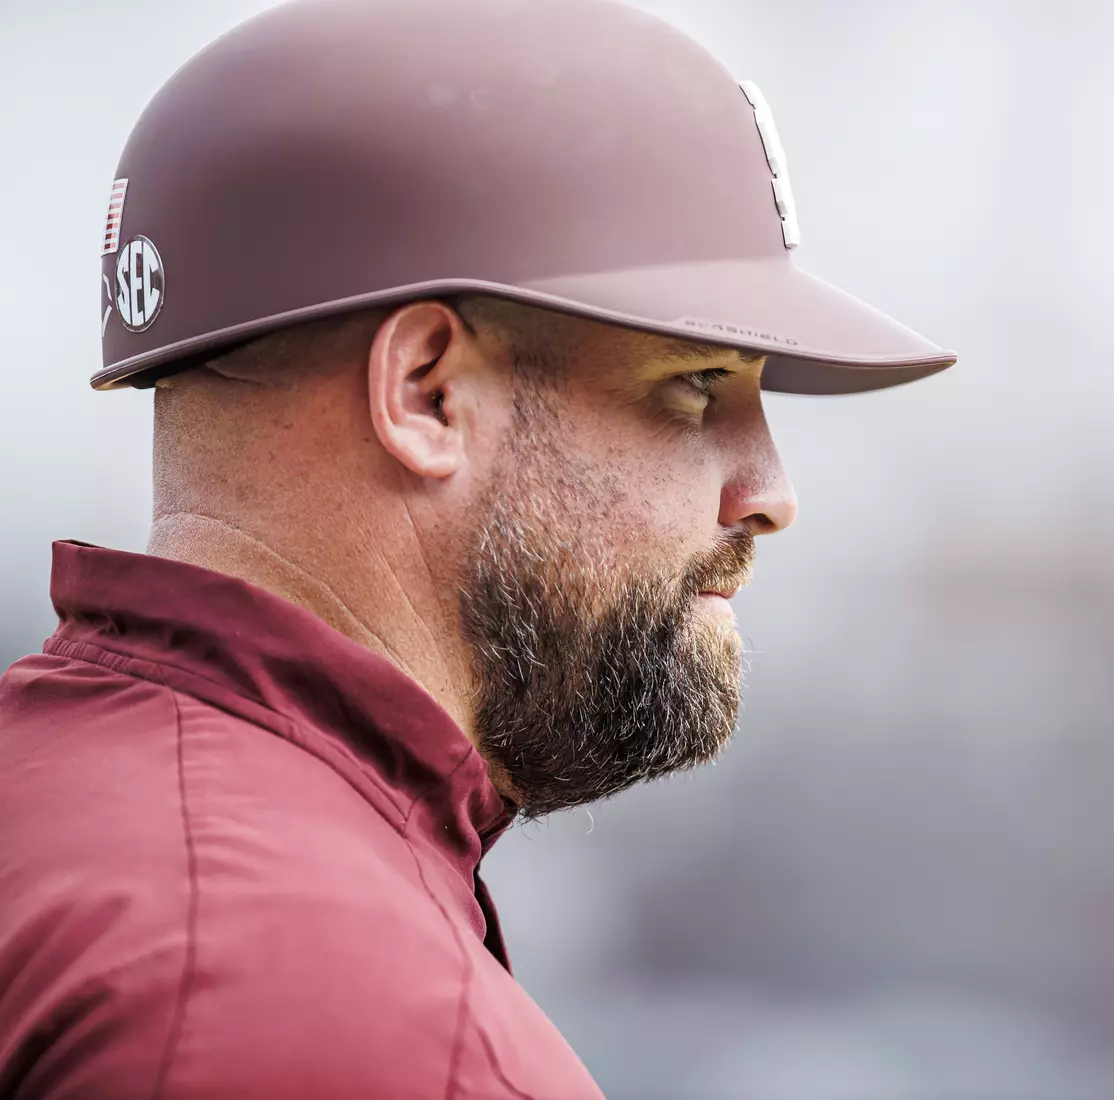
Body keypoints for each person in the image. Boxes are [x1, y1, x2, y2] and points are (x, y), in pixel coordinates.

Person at [0, 0, 955, 1096]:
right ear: (427, 393)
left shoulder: (61, 810)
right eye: (696, 384)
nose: (769, 493)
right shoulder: (335, 1016)